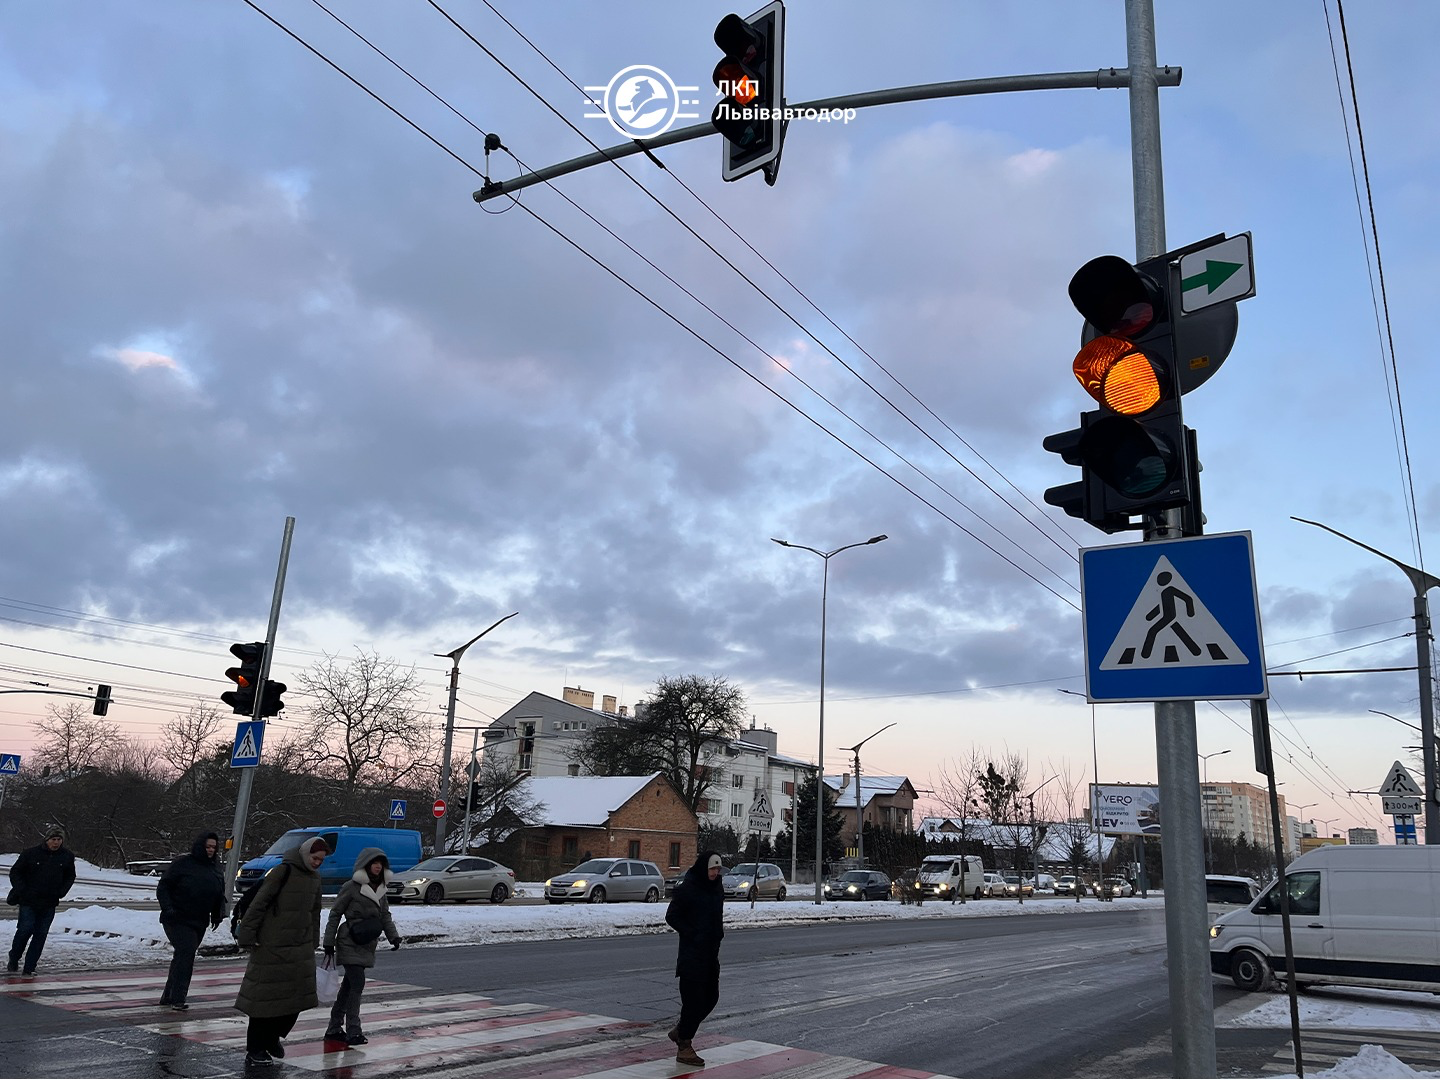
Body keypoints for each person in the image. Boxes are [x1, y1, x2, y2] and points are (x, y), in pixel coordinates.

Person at [233, 835, 327, 1067]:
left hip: (300, 948)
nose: (317, 863)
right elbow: (258, 905)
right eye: (314, 858)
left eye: (320, 860)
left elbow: (314, 912)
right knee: (264, 1001)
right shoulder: (281, 872)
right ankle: (256, 1048)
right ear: (305, 854)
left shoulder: (315, 879)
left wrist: (313, 939)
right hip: (271, 946)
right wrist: (247, 935)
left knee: (296, 1000)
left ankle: (272, 1038)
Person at [321, 847, 401, 1049]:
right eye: (374, 863)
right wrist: (328, 941)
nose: (378, 866)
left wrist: (394, 937)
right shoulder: (352, 886)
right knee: (357, 983)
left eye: (381, 863)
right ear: (365, 864)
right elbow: (335, 913)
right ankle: (353, 1031)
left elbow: (385, 916)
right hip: (349, 940)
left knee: (349, 986)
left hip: (367, 943)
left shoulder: (381, 889)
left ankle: (334, 1028)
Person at [663, 850, 725, 1067]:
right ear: (703, 868)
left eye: (718, 869)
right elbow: (672, 916)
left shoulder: (717, 887)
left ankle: (681, 1030)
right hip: (692, 956)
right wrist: (693, 933)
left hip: (711, 954)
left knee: (711, 998)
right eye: (712, 869)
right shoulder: (689, 888)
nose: (715, 873)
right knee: (693, 1002)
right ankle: (684, 1045)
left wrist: (717, 933)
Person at [156, 832, 227, 1011]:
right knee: (186, 953)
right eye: (207, 847)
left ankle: (169, 996)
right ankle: (178, 998)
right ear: (199, 846)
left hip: (199, 920)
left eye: (213, 847)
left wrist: (217, 914)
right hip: (177, 918)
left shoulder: (215, 867)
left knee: (182, 956)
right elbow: (164, 886)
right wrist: (167, 907)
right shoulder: (183, 864)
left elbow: (218, 892)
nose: (210, 850)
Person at [7, 826, 76, 977]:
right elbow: (16, 872)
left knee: (40, 934)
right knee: (25, 930)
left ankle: (30, 967)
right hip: (29, 901)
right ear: (47, 840)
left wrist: (61, 891)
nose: (56, 843)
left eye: (59, 840)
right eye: (53, 839)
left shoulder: (66, 856)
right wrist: (22, 889)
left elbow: (70, 875)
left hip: (49, 902)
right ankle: (14, 957)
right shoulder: (30, 854)